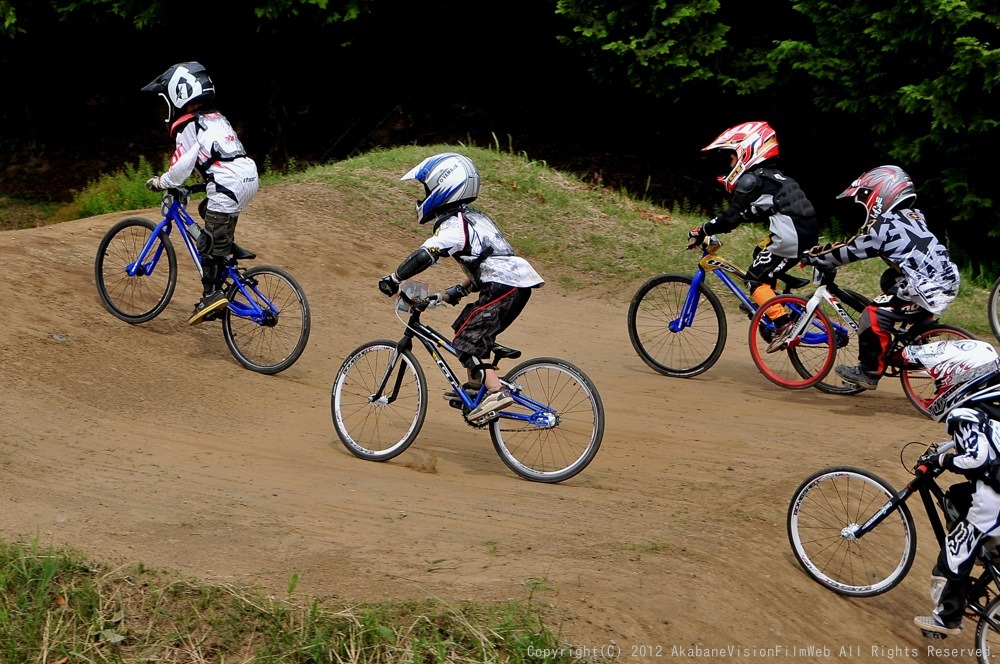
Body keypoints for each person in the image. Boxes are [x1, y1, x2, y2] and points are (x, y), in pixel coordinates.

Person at [377, 152, 544, 421]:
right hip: (510, 285)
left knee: (468, 338)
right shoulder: (474, 218)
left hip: (505, 286)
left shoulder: (454, 225)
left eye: (427, 188)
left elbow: (424, 255)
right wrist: (456, 292)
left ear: (444, 187)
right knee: (467, 324)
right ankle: (477, 386)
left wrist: (393, 279)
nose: (424, 195)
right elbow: (489, 262)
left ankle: (496, 392)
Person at [801, 165, 960, 390]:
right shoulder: (913, 216)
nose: (863, 204)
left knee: (872, 315)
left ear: (881, 193)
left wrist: (816, 256)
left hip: (925, 286)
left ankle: (869, 371)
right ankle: (919, 331)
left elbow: (851, 249)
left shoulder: (883, 227)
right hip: (944, 279)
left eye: (865, 197)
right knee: (888, 280)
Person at [141, 61, 260, 325]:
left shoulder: (188, 125)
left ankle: (211, 295)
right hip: (246, 177)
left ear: (178, 95)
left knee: (206, 247)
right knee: (210, 212)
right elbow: (217, 156)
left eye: (165, 101)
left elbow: (181, 166)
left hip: (227, 183)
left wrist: (161, 182)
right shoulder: (215, 117)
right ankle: (225, 248)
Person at [690, 121, 819, 347]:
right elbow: (753, 212)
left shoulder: (751, 180)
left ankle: (783, 323)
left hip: (791, 237)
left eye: (731, 157)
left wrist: (704, 229)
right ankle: (770, 300)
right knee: (760, 251)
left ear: (747, 150)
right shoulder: (773, 177)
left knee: (753, 279)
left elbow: (731, 219)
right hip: (804, 232)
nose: (730, 162)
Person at [904, 339, 1000, 637]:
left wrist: (943, 459)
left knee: (956, 551)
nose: (937, 388)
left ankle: (947, 618)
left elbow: (978, 457)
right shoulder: (991, 407)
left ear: (960, 377)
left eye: (941, 380)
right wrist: (945, 450)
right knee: (957, 495)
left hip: (993, 498)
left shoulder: (966, 414)